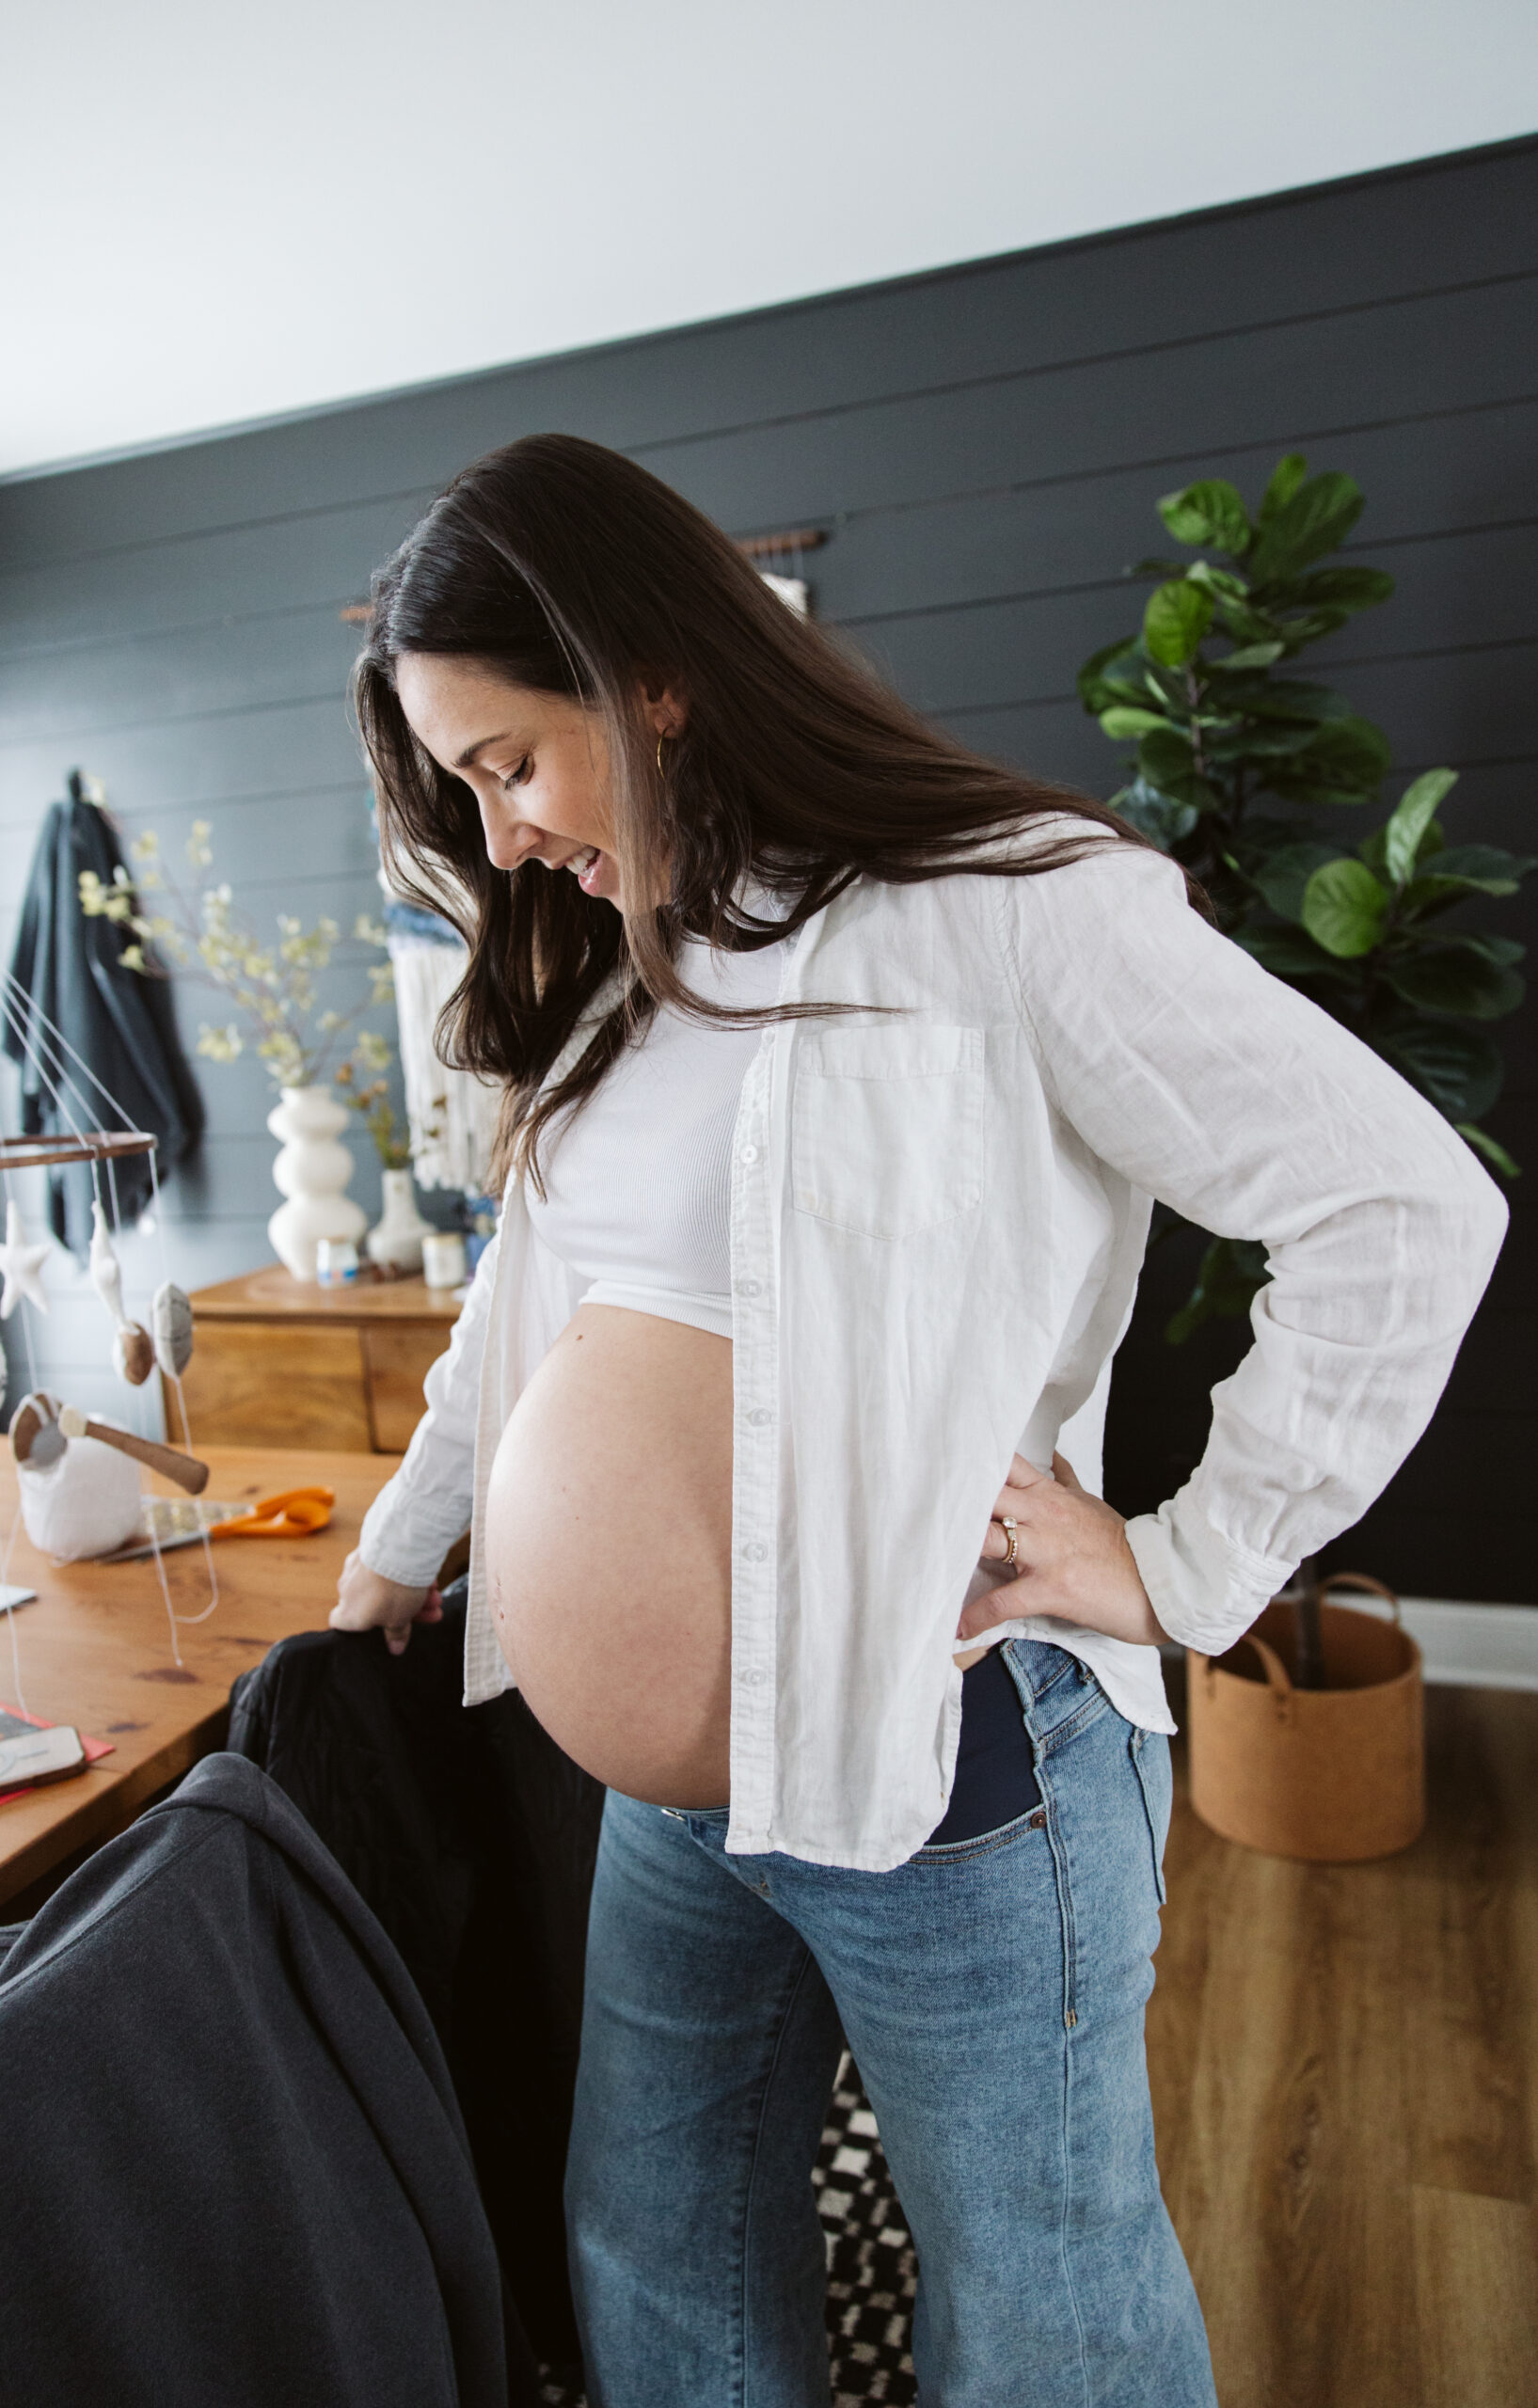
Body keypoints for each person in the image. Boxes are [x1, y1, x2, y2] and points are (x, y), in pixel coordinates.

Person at [331, 433, 1505, 2407]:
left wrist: (1181, 1558)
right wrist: (392, 1549)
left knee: (1035, 2301)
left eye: (506, 763)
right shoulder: (625, 985)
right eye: (466, 788)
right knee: (650, 2220)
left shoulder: (1009, 909)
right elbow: (527, 1324)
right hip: (676, 1799)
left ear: (651, 676)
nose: (502, 831)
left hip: (951, 1758)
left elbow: (1400, 1202)